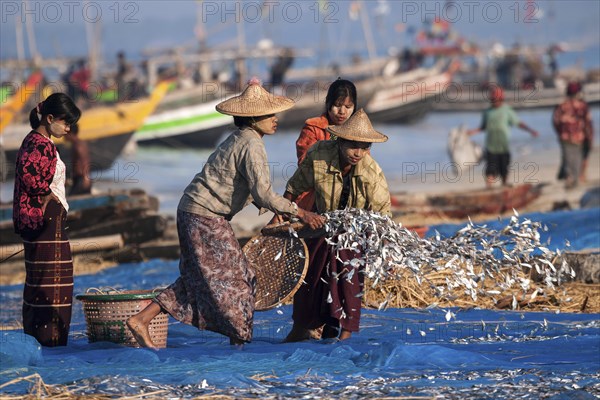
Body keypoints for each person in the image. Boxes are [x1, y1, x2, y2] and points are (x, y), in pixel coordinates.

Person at [126, 79, 325, 349]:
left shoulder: (241, 139)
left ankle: (141, 319)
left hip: (194, 212)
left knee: (199, 278)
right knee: (241, 280)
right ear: (254, 118)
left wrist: (278, 212)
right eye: (270, 115)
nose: (275, 119)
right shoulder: (252, 144)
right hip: (203, 215)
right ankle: (238, 342)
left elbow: (247, 189)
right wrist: (300, 212)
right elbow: (264, 193)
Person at [281, 109, 391, 342]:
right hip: (322, 226)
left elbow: (382, 214)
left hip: (354, 233)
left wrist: (383, 247)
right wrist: (282, 214)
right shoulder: (319, 155)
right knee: (310, 282)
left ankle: (344, 334)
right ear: (339, 141)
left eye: (365, 147)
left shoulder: (372, 173)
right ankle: (305, 328)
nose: (358, 153)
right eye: (353, 146)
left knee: (347, 283)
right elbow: (295, 186)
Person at [12, 93, 81, 346]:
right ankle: (48, 339)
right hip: (42, 220)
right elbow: (29, 175)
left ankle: (41, 337)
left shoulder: (39, 141)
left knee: (44, 277)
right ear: (49, 118)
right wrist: (47, 194)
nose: (68, 128)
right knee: (50, 280)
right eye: (65, 122)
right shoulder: (39, 143)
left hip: (45, 220)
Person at [295, 78, 357, 211]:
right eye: (337, 105)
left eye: (348, 107)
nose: (342, 112)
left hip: (350, 193)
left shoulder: (358, 131)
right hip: (315, 196)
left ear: (354, 107)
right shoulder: (313, 128)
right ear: (328, 103)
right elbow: (305, 164)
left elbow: (363, 163)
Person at [467, 86, 539, 188]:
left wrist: (530, 130)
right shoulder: (487, 112)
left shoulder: (507, 110)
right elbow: (483, 127)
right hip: (491, 147)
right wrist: (472, 132)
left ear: (501, 99)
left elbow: (518, 123)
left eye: (496, 100)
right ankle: (489, 187)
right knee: (490, 169)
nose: (494, 102)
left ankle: (504, 185)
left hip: (503, 146)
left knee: (504, 169)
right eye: (492, 100)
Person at [553, 82, 594, 188]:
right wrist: (590, 138)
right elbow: (588, 123)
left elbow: (555, 122)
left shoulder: (561, 106)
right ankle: (573, 181)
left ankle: (570, 180)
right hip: (578, 137)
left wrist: (560, 133)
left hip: (565, 138)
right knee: (576, 160)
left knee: (568, 159)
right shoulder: (582, 106)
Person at [65, 123, 92, 196]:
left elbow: (85, 161)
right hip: (78, 178)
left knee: (73, 200)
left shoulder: (78, 145)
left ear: (70, 134)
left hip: (81, 179)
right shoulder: (76, 144)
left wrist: (86, 178)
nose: (64, 136)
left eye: (65, 134)